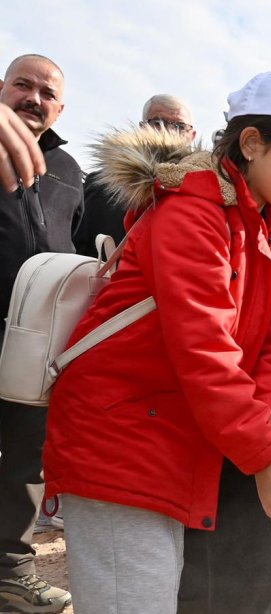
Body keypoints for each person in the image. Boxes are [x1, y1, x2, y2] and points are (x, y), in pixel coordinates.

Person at [43, 71, 271, 614]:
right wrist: (264, 454)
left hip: (165, 435)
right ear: (250, 143)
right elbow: (204, 350)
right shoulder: (192, 211)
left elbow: (269, 342)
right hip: (120, 440)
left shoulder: (267, 227)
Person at [0, 54, 81, 614]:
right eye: (21, 85)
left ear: (60, 107)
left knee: (25, 458)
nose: (33, 97)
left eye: (46, 92)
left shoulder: (71, 173)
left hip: (33, 344)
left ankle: (11, 573)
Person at [73, 94, 198, 257]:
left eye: (180, 126)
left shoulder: (206, 188)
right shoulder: (103, 183)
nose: (169, 131)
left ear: (192, 135)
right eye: (158, 123)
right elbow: (79, 246)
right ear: (142, 127)